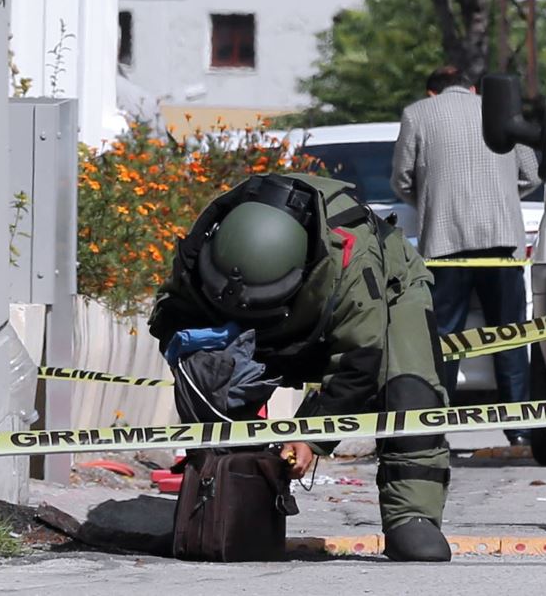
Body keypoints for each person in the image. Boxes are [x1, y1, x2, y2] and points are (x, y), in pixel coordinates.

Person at [149, 172, 452, 561]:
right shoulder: (206, 253)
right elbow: (171, 323)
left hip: (388, 293)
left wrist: (310, 437)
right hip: (285, 318)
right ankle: (225, 503)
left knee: (411, 389)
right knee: (204, 371)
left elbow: (360, 365)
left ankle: (412, 516)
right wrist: (215, 365)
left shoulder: (352, 260)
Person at [391, 66, 540, 447]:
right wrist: (503, 197)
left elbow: (402, 179)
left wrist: (431, 202)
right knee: (509, 334)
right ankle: (519, 428)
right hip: (501, 240)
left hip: (445, 244)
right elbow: (531, 174)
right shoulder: (501, 110)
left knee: (444, 338)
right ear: (473, 88)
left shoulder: (417, 114)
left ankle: (437, 428)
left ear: (431, 93)